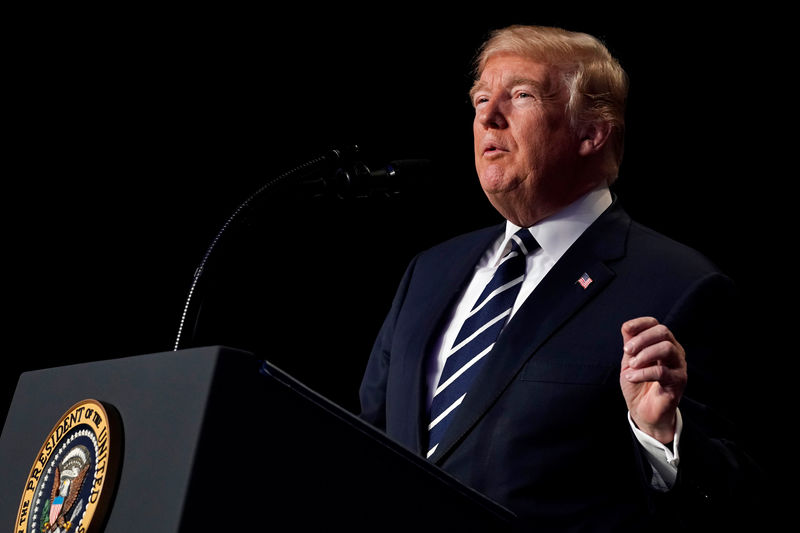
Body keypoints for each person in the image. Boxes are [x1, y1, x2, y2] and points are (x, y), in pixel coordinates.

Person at [358, 25, 765, 531]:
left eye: (521, 95)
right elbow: (364, 441)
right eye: (480, 99)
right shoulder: (428, 271)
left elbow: (735, 498)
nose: (488, 116)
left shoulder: (681, 285)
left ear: (592, 132)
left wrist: (662, 435)